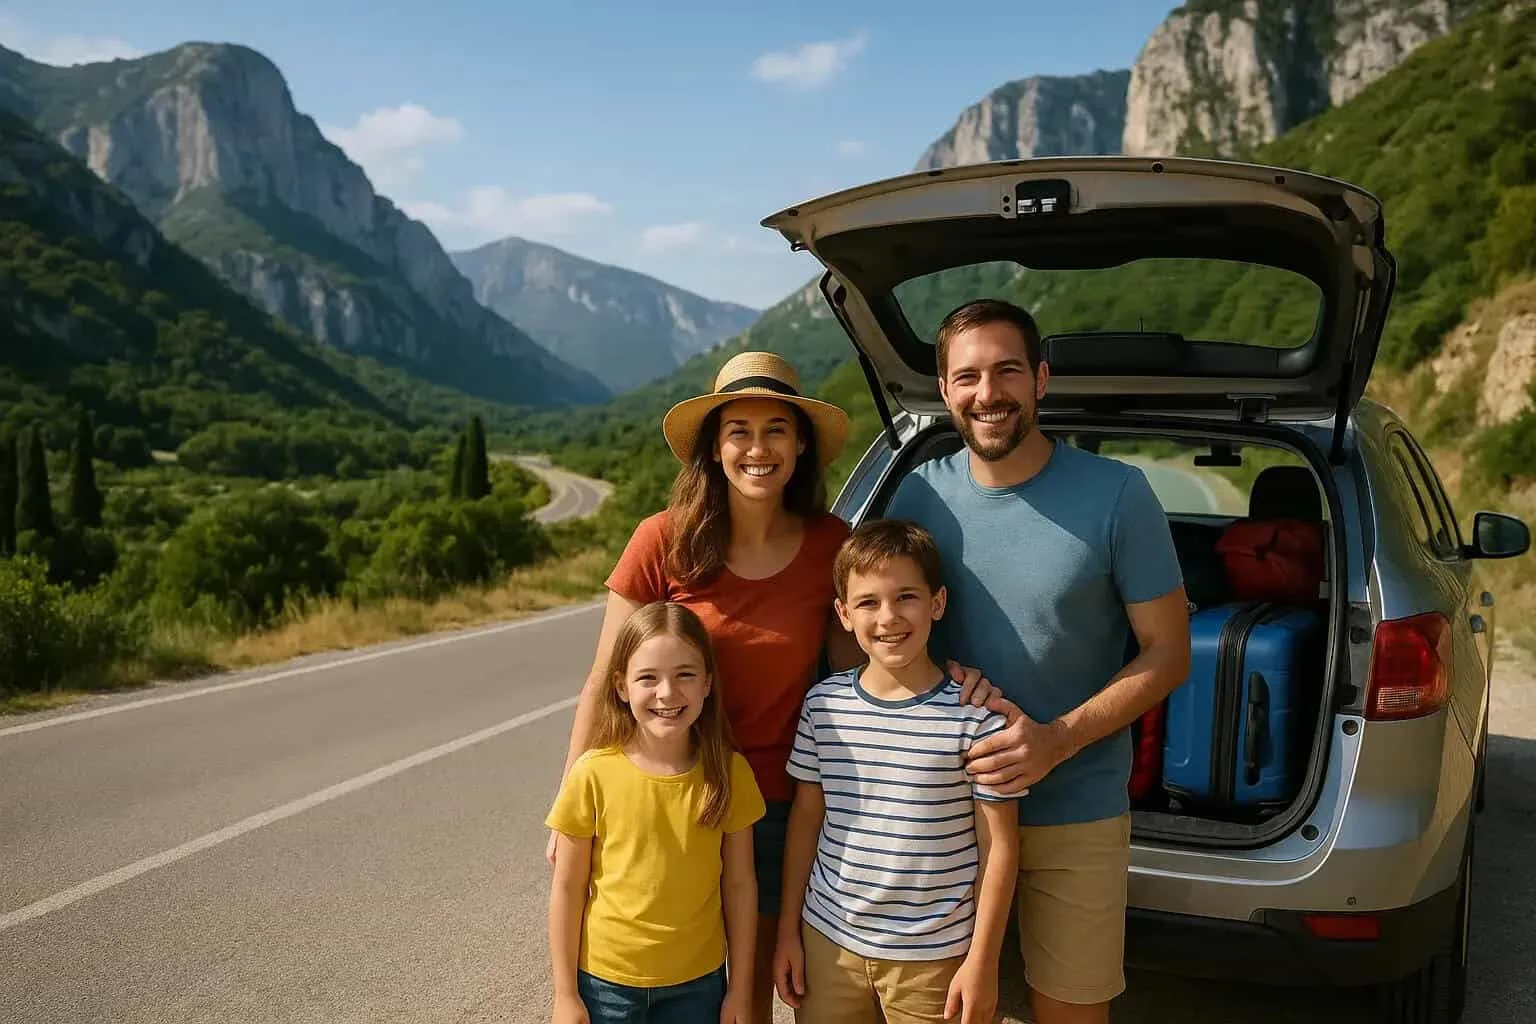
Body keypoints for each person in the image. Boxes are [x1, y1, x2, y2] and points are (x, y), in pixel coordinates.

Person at [548, 351, 1002, 1024]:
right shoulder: (659, 542)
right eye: (740, 430)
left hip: (782, 807)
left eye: (776, 429)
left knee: (752, 1001)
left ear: (800, 446)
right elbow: (602, 683)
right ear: (713, 446)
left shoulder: (829, 544)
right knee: (663, 983)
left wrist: (954, 676)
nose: (758, 448)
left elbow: (865, 670)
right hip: (670, 802)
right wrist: (570, 804)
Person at [883, 299, 1192, 1024]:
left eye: (1007, 371)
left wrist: (1056, 741)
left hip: (1075, 808)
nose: (987, 393)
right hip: (941, 815)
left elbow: (1169, 653)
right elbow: (866, 635)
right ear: (946, 389)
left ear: (1041, 381)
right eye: (968, 377)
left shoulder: (1118, 494)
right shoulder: (916, 495)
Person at [772, 518, 1020, 1024]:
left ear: (937, 603)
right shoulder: (823, 706)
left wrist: (983, 961)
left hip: (936, 957)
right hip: (829, 943)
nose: (887, 617)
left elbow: (999, 847)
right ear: (843, 613)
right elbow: (805, 823)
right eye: (867, 602)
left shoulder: (977, 717)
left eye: (906, 597)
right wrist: (787, 932)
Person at [546, 601, 765, 1024]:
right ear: (621, 686)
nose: (667, 693)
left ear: (708, 683)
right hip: (605, 986)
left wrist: (739, 990)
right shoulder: (592, 773)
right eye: (648, 677)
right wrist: (565, 994)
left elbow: (740, 886)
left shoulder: (730, 773)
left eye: (685, 674)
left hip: (698, 987)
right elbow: (567, 889)